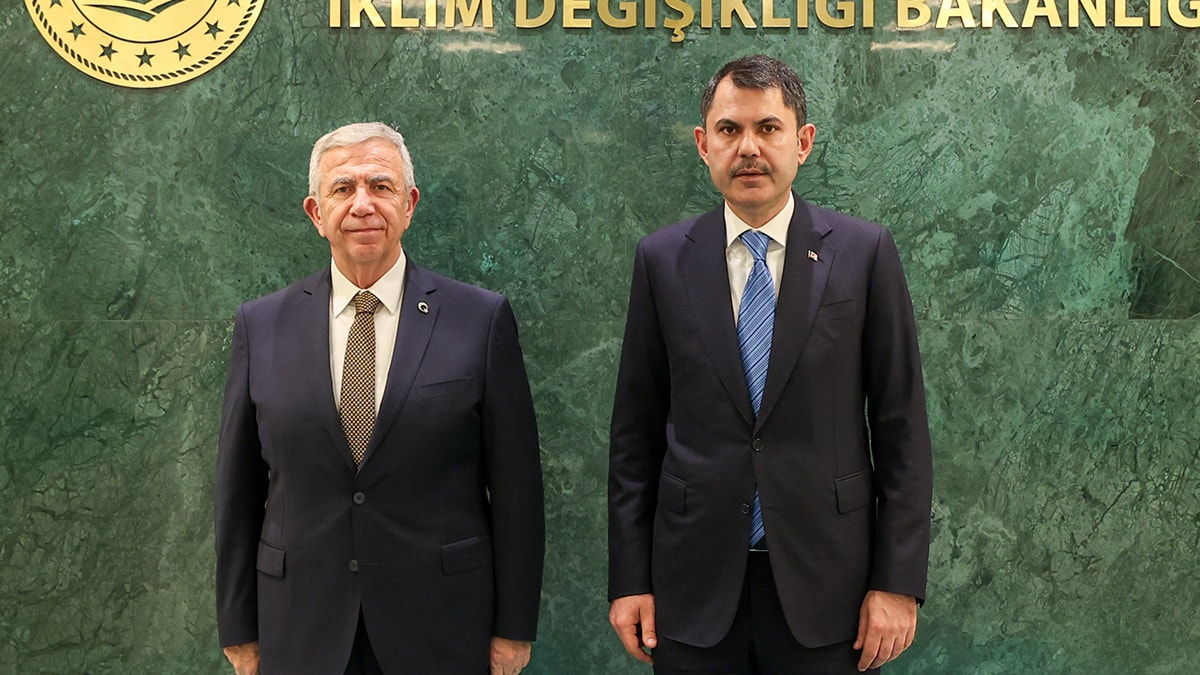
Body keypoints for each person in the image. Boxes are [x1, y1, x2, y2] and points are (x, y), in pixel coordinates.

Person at [607, 55, 933, 674]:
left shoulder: (863, 254)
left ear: (802, 142)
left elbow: (902, 429)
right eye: (729, 130)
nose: (749, 148)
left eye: (768, 128)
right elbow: (634, 436)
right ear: (703, 145)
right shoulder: (662, 260)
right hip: (692, 590)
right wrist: (630, 580)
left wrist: (897, 583)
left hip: (831, 591)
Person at [215, 122, 544, 675]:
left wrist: (513, 627)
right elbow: (237, 492)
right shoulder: (262, 324)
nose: (363, 204)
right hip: (300, 626)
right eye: (343, 188)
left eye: (381, 186)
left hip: (442, 626)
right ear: (316, 213)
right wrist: (239, 627)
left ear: (409, 204)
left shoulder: (479, 319)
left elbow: (517, 490)